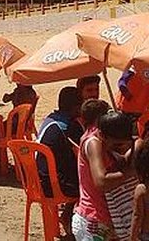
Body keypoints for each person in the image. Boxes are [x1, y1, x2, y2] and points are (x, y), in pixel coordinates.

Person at [73, 111, 137, 241]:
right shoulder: (93, 143)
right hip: (94, 220)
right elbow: (101, 181)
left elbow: (138, 142)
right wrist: (133, 171)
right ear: (102, 135)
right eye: (117, 145)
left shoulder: (109, 143)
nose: (121, 148)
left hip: (112, 219)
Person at [37, 87, 82, 236]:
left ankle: (68, 215)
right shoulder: (69, 126)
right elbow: (82, 152)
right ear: (76, 107)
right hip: (53, 185)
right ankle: (75, 221)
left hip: (37, 180)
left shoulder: (51, 118)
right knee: (90, 181)